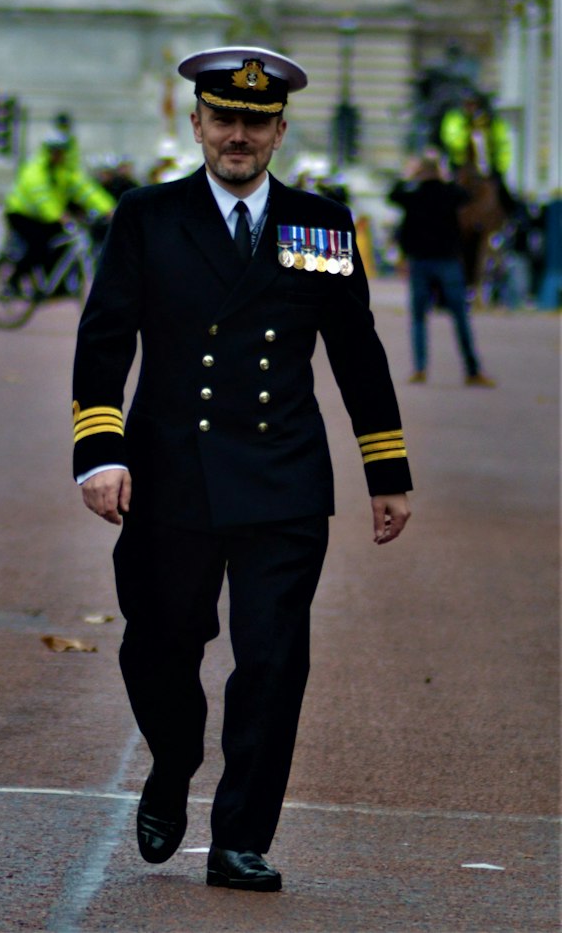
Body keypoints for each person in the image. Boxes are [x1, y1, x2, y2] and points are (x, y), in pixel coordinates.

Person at [72, 46, 412, 892]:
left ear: (280, 131)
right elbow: (105, 338)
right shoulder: (148, 216)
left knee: (273, 658)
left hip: (281, 473)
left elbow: (355, 348)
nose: (238, 134)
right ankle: (174, 754)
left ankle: (240, 836)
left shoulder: (320, 224)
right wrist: (99, 450)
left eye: (255, 122)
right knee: (159, 643)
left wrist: (386, 466)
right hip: (168, 471)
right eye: (222, 118)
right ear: (194, 125)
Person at [388, 154, 495, 386]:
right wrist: (448, 178)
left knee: (418, 316)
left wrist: (407, 177)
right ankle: (472, 369)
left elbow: (393, 195)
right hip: (447, 259)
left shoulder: (412, 195)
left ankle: (420, 368)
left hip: (420, 260)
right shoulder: (449, 193)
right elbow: (466, 196)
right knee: (460, 315)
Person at [3, 131, 115, 288]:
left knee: (62, 244)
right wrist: (60, 216)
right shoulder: (35, 172)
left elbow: (86, 190)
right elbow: (42, 198)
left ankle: (56, 284)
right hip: (21, 214)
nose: (58, 155)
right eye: (55, 152)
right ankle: (14, 281)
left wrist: (109, 209)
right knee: (38, 246)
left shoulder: (65, 172)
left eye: (61, 152)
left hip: (47, 216)